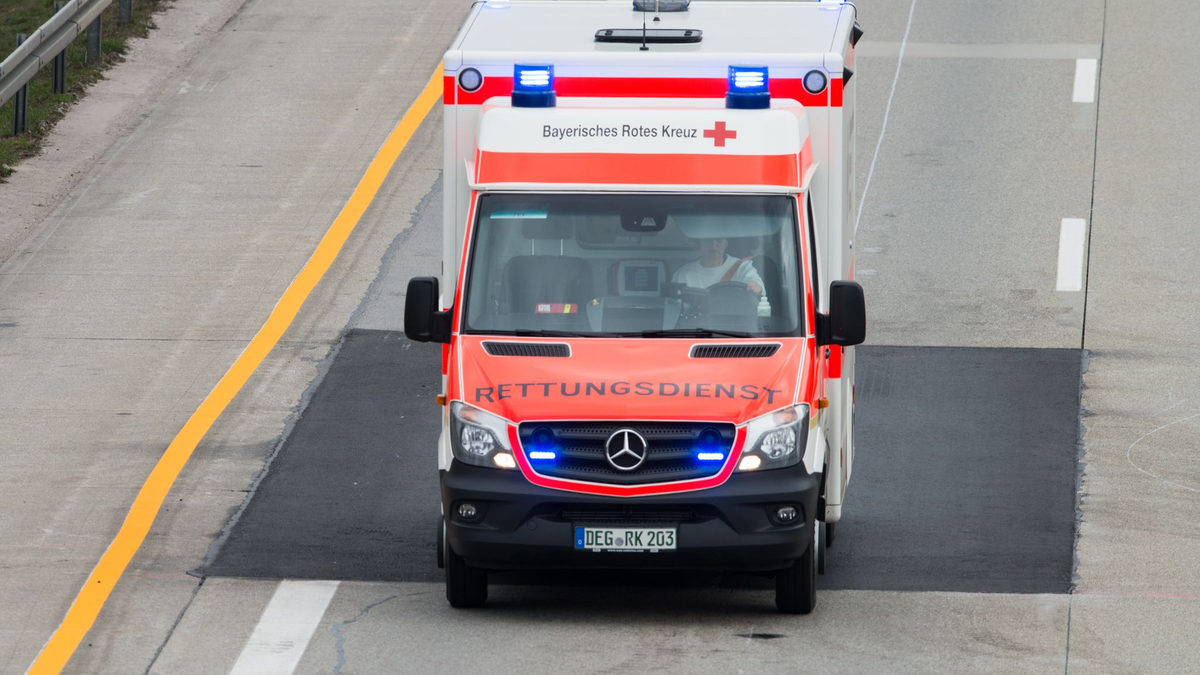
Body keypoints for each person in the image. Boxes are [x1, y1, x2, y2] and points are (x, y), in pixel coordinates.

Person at [672, 236, 765, 296]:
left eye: (719, 240)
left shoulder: (741, 267)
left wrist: (755, 285)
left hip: (735, 326)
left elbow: (758, 287)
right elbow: (674, 309)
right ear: (700, 243)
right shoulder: (684, 274)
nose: (714, 245)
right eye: (708, 240)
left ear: (726, 243)